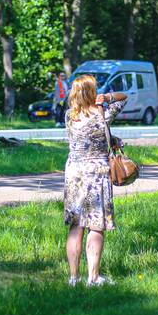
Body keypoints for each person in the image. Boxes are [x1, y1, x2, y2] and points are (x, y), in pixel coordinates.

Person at [63, 74, 127, 286]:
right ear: (92, 92)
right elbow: (123, 98)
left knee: (76, 226)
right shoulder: (103, 114)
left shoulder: (69, 117)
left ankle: (73, 278)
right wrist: (106, 97)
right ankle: (93, 277)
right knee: (96, 226)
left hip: (74, 174)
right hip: (97, 173)